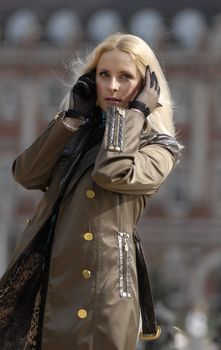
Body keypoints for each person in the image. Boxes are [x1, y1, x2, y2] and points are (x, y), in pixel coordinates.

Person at [0, 32, 180, 350]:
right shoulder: (78, 131)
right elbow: (26, 174)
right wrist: (71, 119)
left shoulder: (159, 148)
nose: (112, 86)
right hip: (50, 281)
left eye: (125, 77)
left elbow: (112, 171)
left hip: (104, 290)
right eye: (103, 75)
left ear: (147, 87)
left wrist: (133, 115)